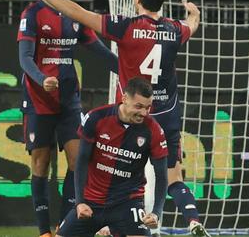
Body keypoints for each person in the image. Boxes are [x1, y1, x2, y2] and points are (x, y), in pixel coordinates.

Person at [21, 0, 210, 236]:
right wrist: (193, 13)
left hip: (132, 115)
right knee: (173, 177)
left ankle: (102, 223)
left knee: (109, 169)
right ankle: (192, 220)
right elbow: (192, 25)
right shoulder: (175, 30)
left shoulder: (126, 27)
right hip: (165, 115)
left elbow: (77, 11)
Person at [17, 0, 118, 237]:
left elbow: (99, 50)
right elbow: (24, 59)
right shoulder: (31, 14)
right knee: (41, 165)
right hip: (38, 101)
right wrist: (41, 79)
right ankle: (43, 231)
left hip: (69, 102)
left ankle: (64, 226)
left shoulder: (74, 14)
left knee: (78, 162)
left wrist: (127, 71)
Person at [56, 77, 168, 237]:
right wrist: (80, 202)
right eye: (139, 106)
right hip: (91, 201)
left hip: (127, 203)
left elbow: (162, 177)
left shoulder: (154, 131)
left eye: (148, 107)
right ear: (124, 99)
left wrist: (156, 212)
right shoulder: (96, 118)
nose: (144, 113)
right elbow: (81, 162)